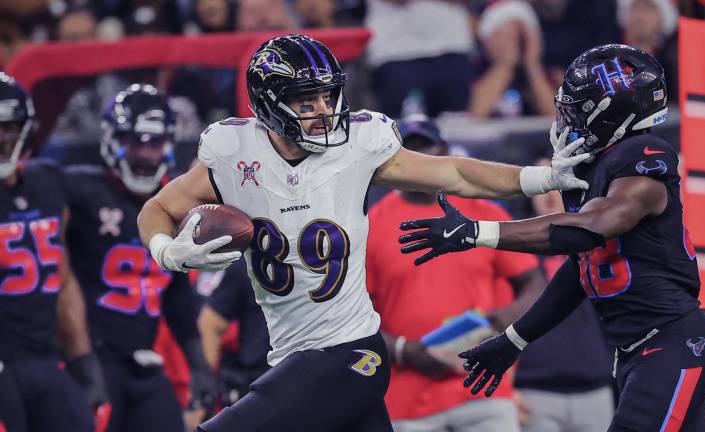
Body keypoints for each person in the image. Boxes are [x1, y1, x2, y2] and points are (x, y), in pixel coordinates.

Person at [136, 34, 588, 432]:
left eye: (328, 98)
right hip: (291, 357)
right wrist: (166, 252)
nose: (324, 112)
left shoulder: (359, 145)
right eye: (306, 101)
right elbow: (156, 209)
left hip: (349, 352)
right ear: (269, 104)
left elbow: (454, 173)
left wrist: (539, 178)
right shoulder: (233, 154)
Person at [399, 44, 705, 431]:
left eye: (578, 106)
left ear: (612, 112)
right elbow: (580, 273)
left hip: (673, 344)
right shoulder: (599, 167)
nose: (567, 116)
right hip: (642, 351)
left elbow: (592, 229)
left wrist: (478, 232)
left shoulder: (643, 161)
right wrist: (514, 340)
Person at [366, 115, 546, 432]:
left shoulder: (485, 212)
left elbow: (533, 283)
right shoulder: (369, 226)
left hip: (484, 388)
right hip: (407, 400)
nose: (419, 163)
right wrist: (403, 350)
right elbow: (354, 317)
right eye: (409, 153)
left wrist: (499, 323)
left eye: (427, 151)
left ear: (445, 152)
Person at [64, 84, 216, 432]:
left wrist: (199, 365)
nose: (146, 155)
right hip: (93, 356)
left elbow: (176, 293)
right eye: (136, 142)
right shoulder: (79, 191)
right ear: (110, 140)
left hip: (143, 359)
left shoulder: (175, 201)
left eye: (155, 143)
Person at [0, 72, 109, 432]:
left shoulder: (47, 183)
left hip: (45, 358)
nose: (2, 137)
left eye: (10, 127)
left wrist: (82, 357)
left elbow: (61, 282)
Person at [512, 160, 614, 432]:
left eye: (556, 186)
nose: (548, 196)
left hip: (596, 391)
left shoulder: (597, 245)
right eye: (542, 187)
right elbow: (493, 320)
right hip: (534, 393)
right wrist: (503, 389)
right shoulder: (512, 255)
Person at [197, 259, 271, 407]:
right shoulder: (250, 263)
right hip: (260, 379)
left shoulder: (322, 261)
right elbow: (210, 324)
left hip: (311, 370)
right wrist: (204, 392)